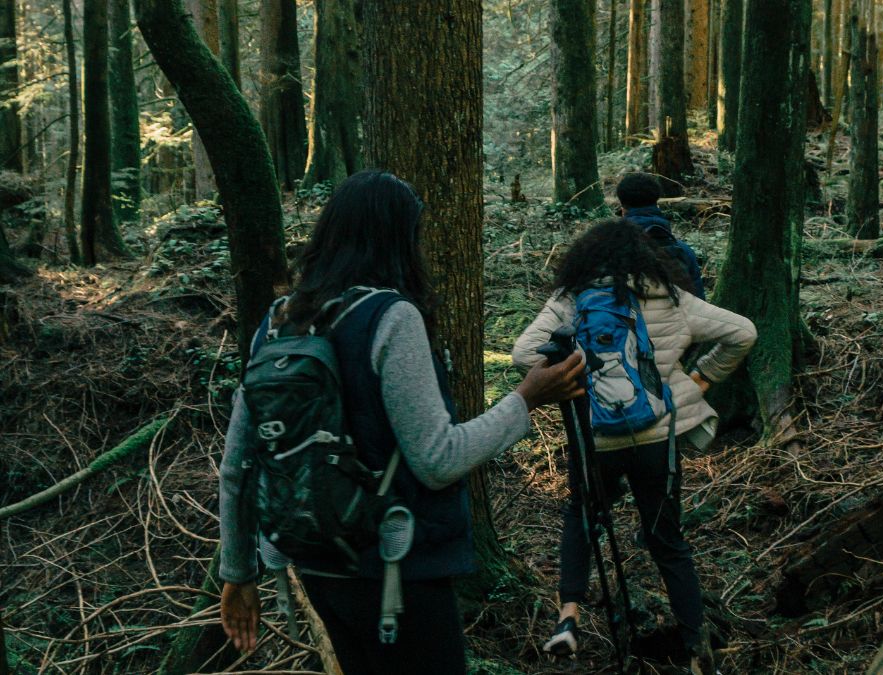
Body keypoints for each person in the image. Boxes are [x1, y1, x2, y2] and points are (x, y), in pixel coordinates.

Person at [217, 170, 585, 674]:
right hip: (397, 571)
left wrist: (237, 573)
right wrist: (526, 397)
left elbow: (237, 465)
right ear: (398, 238)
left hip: (318, 565)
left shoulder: (278, 319)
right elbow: (438, 460)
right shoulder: (391, 317)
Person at [512, 220, 757, 675]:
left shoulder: (572, 297)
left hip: (595, 439)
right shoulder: (668, 295)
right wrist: (699, 378)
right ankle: (697, 647)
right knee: (668, 541)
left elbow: (524, 353)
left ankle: (568, 618)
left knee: (581, 519)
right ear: (642, 256)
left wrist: (578, 379)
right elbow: (742, 332)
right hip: (654, 439)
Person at [616, 172, 706, 300]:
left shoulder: (607, 251)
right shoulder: (684, 252)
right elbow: (699, 303)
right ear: (657, 204)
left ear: (623, 209)